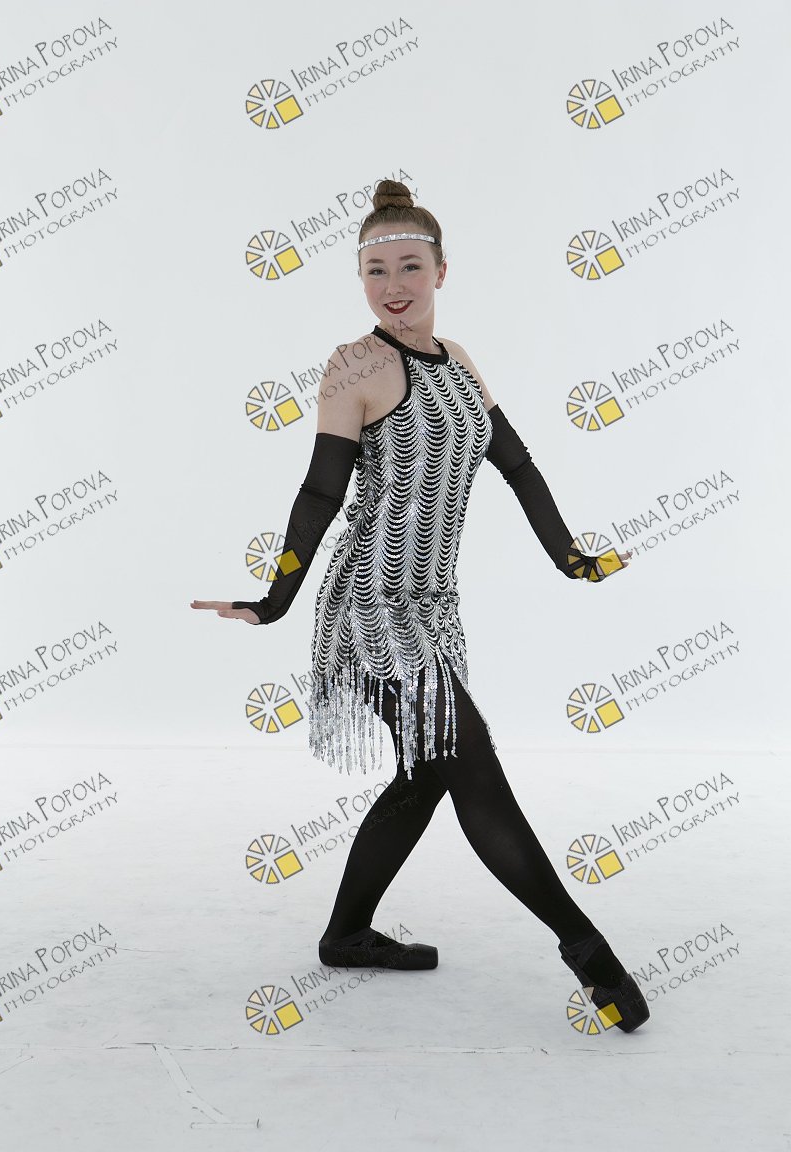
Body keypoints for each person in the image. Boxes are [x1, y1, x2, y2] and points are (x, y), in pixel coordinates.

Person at [191, 180, 650, 1033]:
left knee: (427, 774)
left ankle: (346, 935)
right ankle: (591, 955)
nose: (393, 284)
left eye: (410, 266)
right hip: (369, 609)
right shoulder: (355, 367)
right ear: (359, 278)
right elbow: (320, 492)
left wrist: (571, 557)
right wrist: (276, 598)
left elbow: (517, 465)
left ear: (441, 270)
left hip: (434, 607)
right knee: (472, 767)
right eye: (376, 270)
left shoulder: (458, 359)